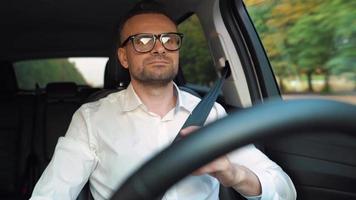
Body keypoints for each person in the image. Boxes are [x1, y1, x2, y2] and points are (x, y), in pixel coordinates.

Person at [30, 1, 296, 200]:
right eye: (143, 40)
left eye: (169, 39)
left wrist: (233, 173)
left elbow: (285, 190)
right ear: (123, 57)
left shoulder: (212, 113)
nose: (159, 48)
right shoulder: (91, 118)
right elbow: (52, 193)